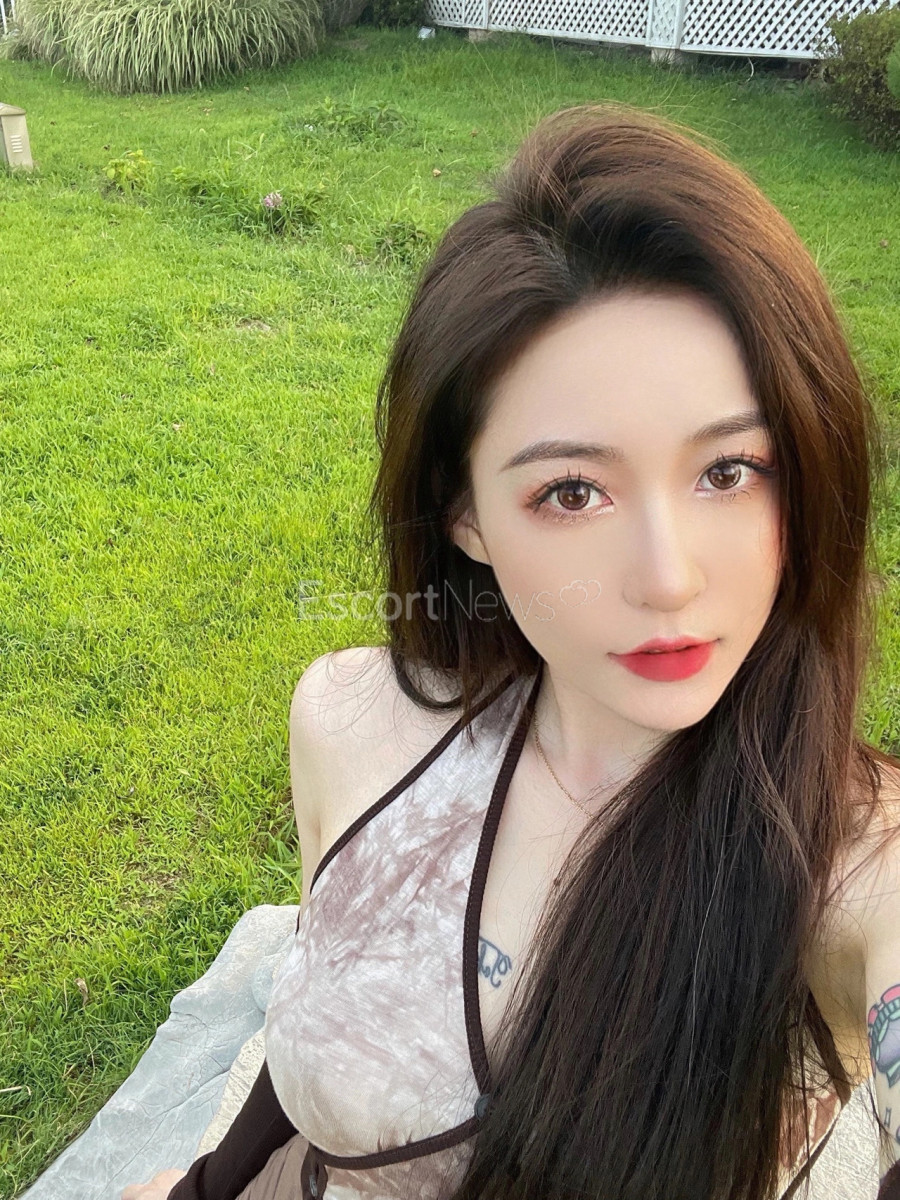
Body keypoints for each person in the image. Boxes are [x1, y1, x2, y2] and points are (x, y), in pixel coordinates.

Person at [122, 100, 900, 1200]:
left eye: (729, 471)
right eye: (572, 491)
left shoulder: (850, 863)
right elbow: (322, 1020)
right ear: (465, 518)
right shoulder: (354, 719)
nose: (668, 579)